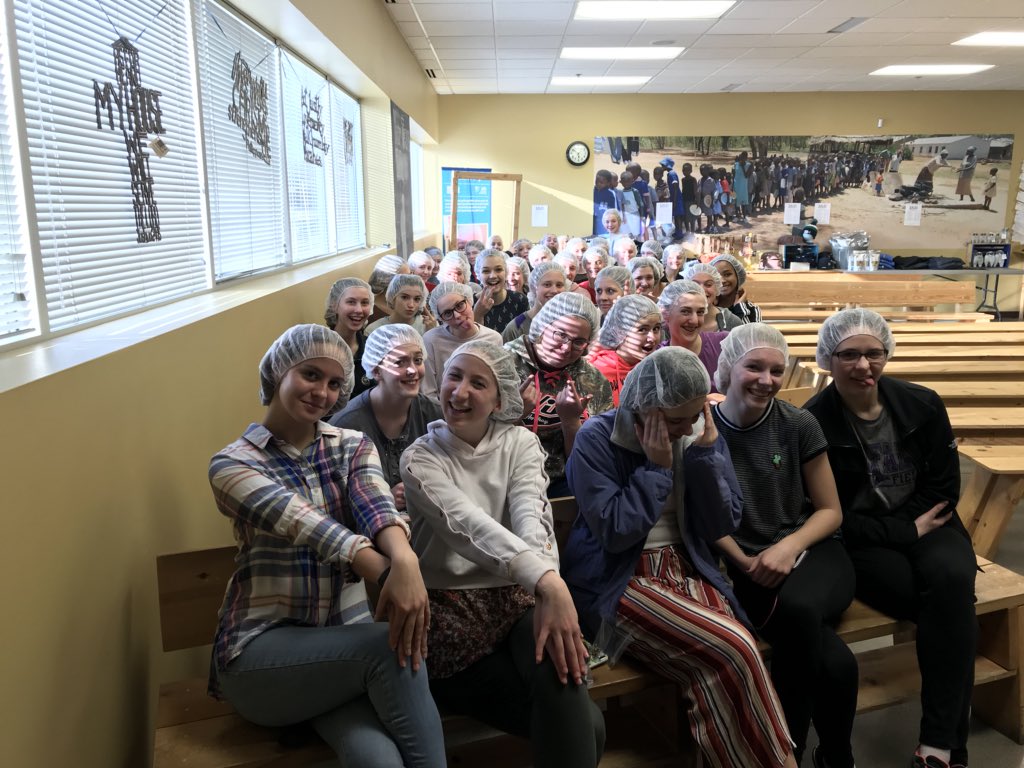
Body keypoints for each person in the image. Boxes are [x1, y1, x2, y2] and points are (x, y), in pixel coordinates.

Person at [208, 324, 445, 768]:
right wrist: (388, 573)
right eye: (310, 374)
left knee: (377, 759)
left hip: (342, 650)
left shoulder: (352, 445)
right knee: (388, 645)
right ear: (279, 371)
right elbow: (304, 523)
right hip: (262, 654)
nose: (322, 392)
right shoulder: (233, 464)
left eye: (335, 383)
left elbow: (377, 506)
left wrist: (406, 559)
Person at [562, 347, 797, 768]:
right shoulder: (597, 438)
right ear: (643, 407)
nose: (687, 427)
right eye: (675, 421)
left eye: (695, 415)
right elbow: (616, 533)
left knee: (732, 653)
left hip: (685, 567)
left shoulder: (697, 434)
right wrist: (655, 469)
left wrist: (706, 457)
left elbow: (723, 522)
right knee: (734, 648)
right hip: (618, 580)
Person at [401, 340, 606, 768]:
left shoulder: (520, 444)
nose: (460, 392)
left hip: (518, 598)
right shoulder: (420, 457)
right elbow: (468, 528)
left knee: (561, 672)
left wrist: (546, 584)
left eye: (478, 383)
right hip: (448, 612)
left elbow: (534, 516)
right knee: (587, 724)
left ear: (500, 399)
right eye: (454, 377)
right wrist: (550, 582)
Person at [805, 309, 976, 768]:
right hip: (865, 539)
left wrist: (915, 526)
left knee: (953, 578)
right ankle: (947, 748)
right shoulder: (813, 422)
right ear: (828, 358)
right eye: (850, 355)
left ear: (886, 353)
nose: (864, 365)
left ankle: (937, 741)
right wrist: (900, 532)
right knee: (946, 605)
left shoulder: (921, 403)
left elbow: (944, 487)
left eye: (874, 353)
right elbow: (829, 512)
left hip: (932, 521)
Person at [711, 324, 857, 768]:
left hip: (814, 551)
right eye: (753, 367)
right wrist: (746, 558)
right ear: (727, 369)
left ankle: (785, 749)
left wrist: (788, 548)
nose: (766, 380)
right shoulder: (700, 430)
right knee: (837, 665)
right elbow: (694, 515)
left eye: (776, 370)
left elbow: (830, 511)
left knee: (797, 611)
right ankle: (833, 756)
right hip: (746, 567)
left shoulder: (797, 423)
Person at [505, 292, 614, 496]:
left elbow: (590, 461)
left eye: (579, 341)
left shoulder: (592, 381)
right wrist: (513, 414)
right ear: (543, 326)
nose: (566, 348)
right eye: (561, 335)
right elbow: (476, 442)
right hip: (505, 479)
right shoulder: (503, 365)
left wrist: (571, 423)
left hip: (566, 484)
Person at [331, 324, 441, 513]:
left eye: (418, 360)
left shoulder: (434, 415)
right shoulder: (347, 426)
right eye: (400, 362)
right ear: (376, 371)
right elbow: (335, 500)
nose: (413, 370)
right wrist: (381, 499)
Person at [421, 281, 503, 401]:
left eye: (459, 305)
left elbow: (498, 386)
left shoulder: (493, 339)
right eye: (448, 313)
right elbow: (428, 393)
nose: (457, 315)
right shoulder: (431, 340)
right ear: (441, 319)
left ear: (469, 302)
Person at [586, 294, 662, 405]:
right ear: (621, 331)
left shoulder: (657, 368)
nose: (652, 337)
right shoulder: (598, 371)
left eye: (656, 328)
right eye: (642, 329)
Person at [657, 280, 728, 394]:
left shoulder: (723, 344)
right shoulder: (657, 358)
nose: (694, 321)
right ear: (666, 314)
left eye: (700, 312)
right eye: (685, 311)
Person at [325, 277, 376, 397]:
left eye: (364, 303)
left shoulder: (373, 348)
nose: (359, 310)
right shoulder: (319, 349)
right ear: (334, 305)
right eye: (351, 302)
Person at [501, 262, 567, 344]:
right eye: (547, 285)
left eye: (559, 285)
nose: (554, 290)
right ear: (534, 287)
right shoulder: (518, 326)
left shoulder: (570, 322)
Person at [473, 248, 530, 332]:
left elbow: (525, 336)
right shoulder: (470, 303)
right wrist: (477, 314)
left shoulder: (520, 301)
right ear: (478, 275)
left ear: (506, 272)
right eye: (486, 271)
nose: (493, 276)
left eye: (498, 269)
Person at [366, 274, 436, 336]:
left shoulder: (428, 326)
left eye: (417, 299)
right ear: (392, 298)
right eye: (404, 297)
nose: (411, 305)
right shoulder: (374, 330)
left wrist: (431, 334)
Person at [682, 260, 743, 332]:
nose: (702, 289)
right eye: (695, 284)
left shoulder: (731, 322)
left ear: (717, 288)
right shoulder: (676, 321)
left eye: (708, 284)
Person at [711, 253, 762, 323]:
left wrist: (740, 308)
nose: (722, 281)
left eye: (727, 274)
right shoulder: (707, 307)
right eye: (716, 276)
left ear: (738, 276)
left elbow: (750, 333)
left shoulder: (752, 309)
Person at [368, 255, 411, 320]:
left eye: (409, 276)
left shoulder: (408, 302)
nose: (409, 281)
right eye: (403, 278)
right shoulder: (372, 311)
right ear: (387, 280)